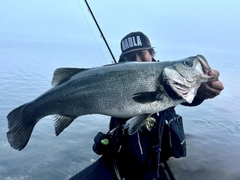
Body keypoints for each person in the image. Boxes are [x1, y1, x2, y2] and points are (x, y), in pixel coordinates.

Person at [69, 31, 224, 180]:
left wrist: (200, 88)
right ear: (123, 60)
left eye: (142, 54)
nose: (137, 60)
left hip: (152, 166)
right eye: (130, 57)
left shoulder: (169, 79)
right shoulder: (114, 79)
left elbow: (187, 97)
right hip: (116, 162)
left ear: (152, 53)